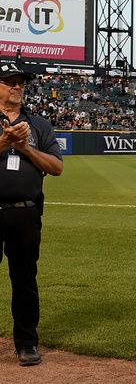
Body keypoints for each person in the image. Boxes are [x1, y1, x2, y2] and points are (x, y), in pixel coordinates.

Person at [0, 62, 64, 366]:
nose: (17, 86)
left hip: (25, 213)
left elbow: (57, 168)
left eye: (20, 83)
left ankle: (26, 344)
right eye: (9, 81)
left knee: (25, 280)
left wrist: (25, 148)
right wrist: (4, 141)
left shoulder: (39, 125)